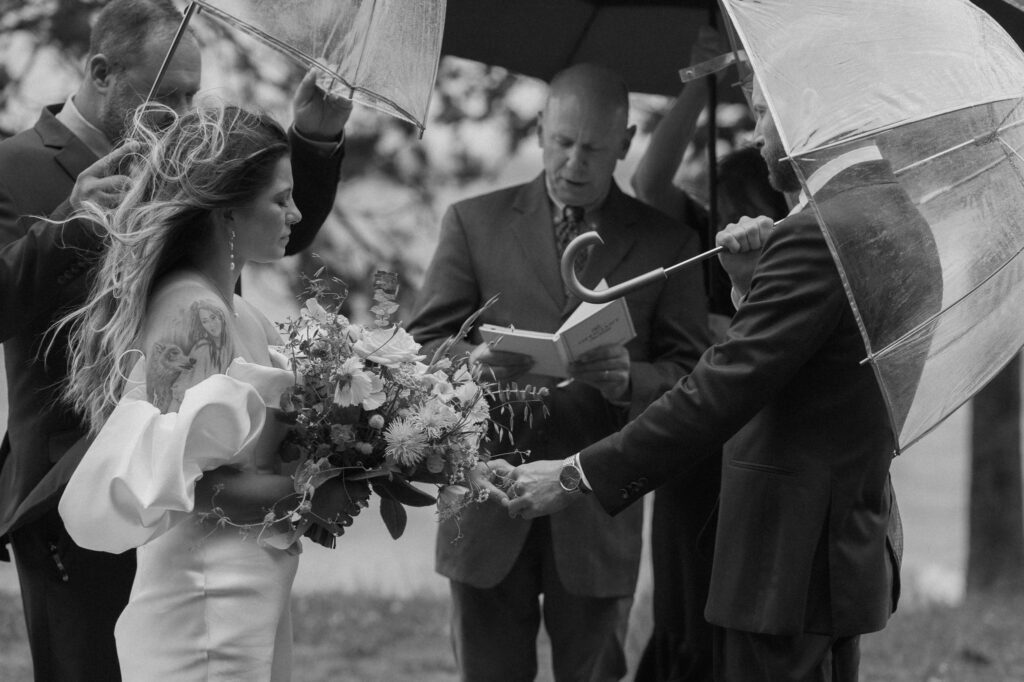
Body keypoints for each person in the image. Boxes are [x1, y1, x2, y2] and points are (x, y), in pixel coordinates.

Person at [497, 77, 943, 681]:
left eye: (762, 113)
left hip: (785, 569)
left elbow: (717, 392)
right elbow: (809, 371)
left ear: (802, 109)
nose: (756, 134)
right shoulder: (896, 215)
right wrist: (746, 285)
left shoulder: (818, 234)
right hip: (838, 557)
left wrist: (574, 475)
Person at [0, 0, 352, 679]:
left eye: (194, 93)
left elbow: (263, 219)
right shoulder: (13, 167)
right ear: (102, 72)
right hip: (75, 484)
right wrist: (69, 223)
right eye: (169, 94)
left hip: (203, 482)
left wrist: (310, 139)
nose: (186, 110)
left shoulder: (190, 155)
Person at [407, 63, 711, 682]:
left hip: (597, 511)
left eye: (594, 149)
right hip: (487, 499)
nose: (574, 162)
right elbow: (419, 349)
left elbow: (693, 377)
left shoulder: (669, 244)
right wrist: (474, 363)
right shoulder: (474, 222)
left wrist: (629, 379)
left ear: (625, 144)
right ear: (540, 129)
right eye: (562, 143)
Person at [55, 101, 362, 681]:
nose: (297, 213)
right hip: (204, 605)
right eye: (279, 199)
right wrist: (308, 495)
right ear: (226, 211)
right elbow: (192, 488)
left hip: (247, 590)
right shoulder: (199, 317)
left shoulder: (242, 313)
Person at [630, 43, 788, 679]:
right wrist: (701, 83)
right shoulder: (706, 234)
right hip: (696, 444)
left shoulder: (800, 240)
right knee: (684, 603)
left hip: (761, 441)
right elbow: (648, 182)